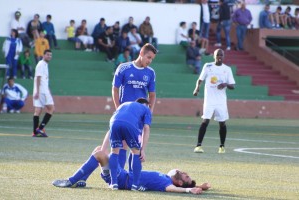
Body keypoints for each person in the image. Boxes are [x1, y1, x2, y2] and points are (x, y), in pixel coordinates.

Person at [52, 145, 211, 194]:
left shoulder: (166, 183)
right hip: (122, 174)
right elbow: (175, 173)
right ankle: (82, 180)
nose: (184, 173)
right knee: (98, 151)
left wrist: (188, 190)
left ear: (179, 182)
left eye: (186, 176)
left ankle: (72, 181)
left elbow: (171, 189)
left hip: (122, 178)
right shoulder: (166, 176)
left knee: (100, 154)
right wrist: (197, 186)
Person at [193, 49, 235, 154]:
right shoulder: (208, 66)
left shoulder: (227, 69)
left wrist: (225, 84)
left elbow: (232, 86)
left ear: (223, 56)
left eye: (221, 55)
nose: (219, 56)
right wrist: (197, 88)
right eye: (217, 55)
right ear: (214, 56)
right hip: (209, 100)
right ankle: (198, 146)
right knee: (205, 121)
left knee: (222, 123)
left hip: (221, 101)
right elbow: (200, 79)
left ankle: (222, 146)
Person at [109, 98, 152, 190]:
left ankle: (113, 183)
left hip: (113, 122)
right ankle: (135, 185)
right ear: (147, 105)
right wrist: (142, 149)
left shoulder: (124, 104)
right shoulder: (146, 109)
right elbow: (146, 128)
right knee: (136, 152)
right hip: (129, 125)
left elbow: (118, 116)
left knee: (114, 152)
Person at [32, 49, 54, 137]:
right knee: (51, 109)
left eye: (50, 55)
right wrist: (37, 91)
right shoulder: (41, 64)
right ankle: (40, 129)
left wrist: (48, 89)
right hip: (42, 91)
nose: (49, 56)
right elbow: (38, 78)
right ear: (43, 55)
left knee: (38, 110)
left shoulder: (44, 64)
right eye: (47, 55)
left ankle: (35, 132)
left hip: (42, 90)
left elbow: (44, 79)